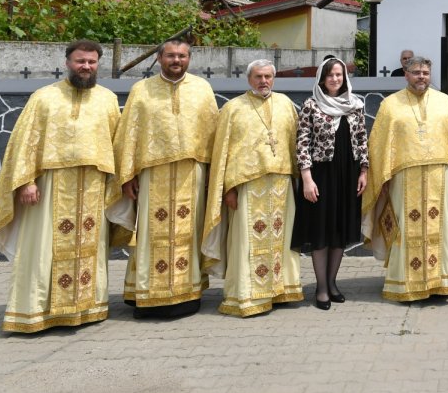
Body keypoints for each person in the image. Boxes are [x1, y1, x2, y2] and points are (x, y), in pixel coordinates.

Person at [0, 40, 118, 333]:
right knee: (42, 248)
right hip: (50, 187)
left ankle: (85, 309)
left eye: (92, 62)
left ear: (98, 65)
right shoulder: (44, 97)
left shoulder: (108, 99)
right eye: (80, 61)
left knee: (89, 248)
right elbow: (25, 142)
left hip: (93, 185)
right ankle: (36, 311)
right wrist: (26, 182)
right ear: (67, 63)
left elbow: (116, 144)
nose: (86, 67)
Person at [107, 37, 218, 318]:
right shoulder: (141, 90)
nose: (176, 61)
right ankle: (145, 294)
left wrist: (212, 175)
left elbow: (213, 135)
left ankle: (187, 294)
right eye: (170, 56)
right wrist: (127, 176)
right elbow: (129, 135)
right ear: (159, 58)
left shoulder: (202, 89)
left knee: (188, 234)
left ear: (189, 59)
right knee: (149, 234)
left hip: (191, 176)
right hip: (152, 177)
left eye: (182, 56)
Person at [363, 56, 448, 301]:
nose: (421, 76)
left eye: (425, 72)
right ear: (406, 74)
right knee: (406, 226)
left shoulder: (444, 101)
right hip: (404, 178)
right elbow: (379, 144)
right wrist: (382, 178)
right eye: (416, 72)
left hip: (440, 174)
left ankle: (442, 280)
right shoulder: (391, 105)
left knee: (440, 225)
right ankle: (405, 284)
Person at [202, 60, 303, 317]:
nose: (264, 81)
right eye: (258, 76)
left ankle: (279, 290)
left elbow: (295, 145)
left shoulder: (285, 105)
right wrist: (228, 190)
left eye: (268, 76)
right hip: (247, 186)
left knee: (281, 242)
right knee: (247, 242)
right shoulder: (233, 109)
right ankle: (246, 294)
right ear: (249, 79)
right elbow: (223, 153)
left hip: (281, 184)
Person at [291, 57, 369, 310]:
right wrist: (307, 178)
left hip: (348, 173)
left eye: (339, 75)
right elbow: (302, 143)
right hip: (321, 176)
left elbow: (361, 139)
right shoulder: (311, 106)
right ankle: (321, 288)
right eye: (330, 75)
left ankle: (333, 282)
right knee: (321, 232)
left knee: (339, 231)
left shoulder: (355, 105)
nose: (335, 79)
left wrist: (364, 171)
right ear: (322, 79)